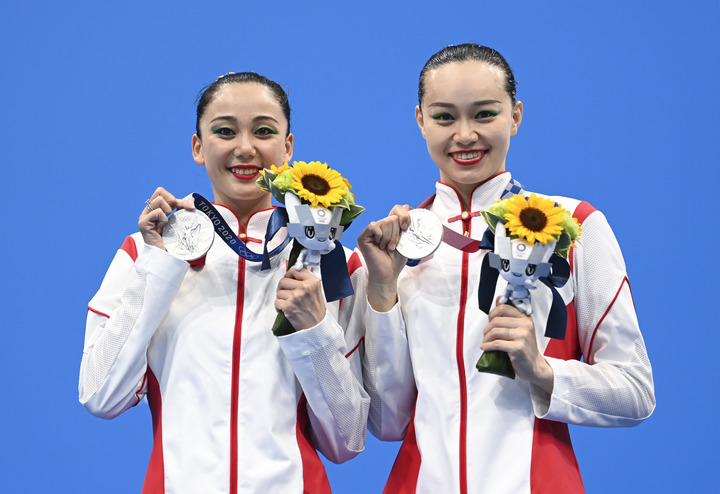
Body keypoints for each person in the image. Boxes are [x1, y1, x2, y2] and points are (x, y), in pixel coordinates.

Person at [358, 44, 656, 493]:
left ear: (515, 116)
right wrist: (383, 293)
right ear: (420, 120)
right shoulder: (395, 247)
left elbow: (635, 391)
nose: (464, 135)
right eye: (444, 117)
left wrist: (543, 370)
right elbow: (388, 422)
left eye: (484, 114)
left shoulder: (574, 226)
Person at [79, 72, 370, 494]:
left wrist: (315, 330)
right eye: (225, 130)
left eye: (264, 131)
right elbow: (100, 395)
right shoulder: (146, 252)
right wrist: (160, 265)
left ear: (288, 147)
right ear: (198, 147)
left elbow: (347, 440)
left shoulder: (332, 262)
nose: (245, 147)